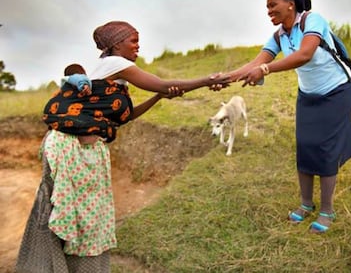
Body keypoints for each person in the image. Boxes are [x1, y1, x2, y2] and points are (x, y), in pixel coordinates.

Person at [16, 21, 231, 273]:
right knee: (77, 217)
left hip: (75, 150)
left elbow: (125, 117)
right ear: (116, 45)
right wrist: (209, 79)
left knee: (77, 216)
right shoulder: (116, 64)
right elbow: (162, 83)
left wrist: (158, 98)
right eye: (133, 40)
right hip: (70, 150)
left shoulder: (112, 74)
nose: (138, 45)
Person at [226, 0, 351, 233]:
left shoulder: (312, 20)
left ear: (290, 4)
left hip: (337, 91)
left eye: (273, 5)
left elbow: (304, 54)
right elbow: (256, 62)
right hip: (308, 95)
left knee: (326, 149)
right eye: (266, 8)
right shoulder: (279, 35)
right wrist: (225, 78)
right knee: (305, 146)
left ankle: (327, 210)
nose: (269, 11)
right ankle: (306, 204)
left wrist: (265, 69)